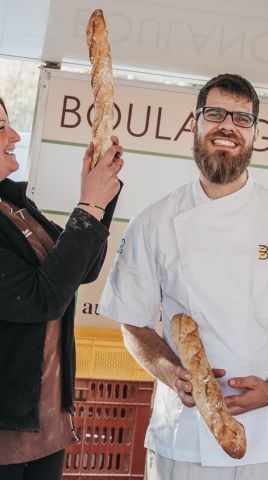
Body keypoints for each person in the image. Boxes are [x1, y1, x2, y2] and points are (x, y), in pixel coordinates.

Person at [99, 73, 268, 480]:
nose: (227, 126)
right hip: (184, 437)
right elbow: (134, 322)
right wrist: (169, 372)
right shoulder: (154, 221)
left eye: (242, 119)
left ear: (255, 134)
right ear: (194, 123)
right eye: (215, 114)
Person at [0, 97, 124, 480]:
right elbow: (43, 299)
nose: (15, 135)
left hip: (46, 424)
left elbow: (80, 272)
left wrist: (100, 201)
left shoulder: (12, 203)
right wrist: (89, 205)